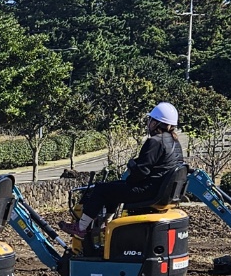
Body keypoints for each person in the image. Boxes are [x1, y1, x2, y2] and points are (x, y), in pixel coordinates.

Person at [60, 102, 184, 239]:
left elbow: (141, 172)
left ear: (156, 123)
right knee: (113, 188)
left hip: (148, 191)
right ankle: (107, 224)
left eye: (150, 120)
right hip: (160, 192)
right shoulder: (175, 143)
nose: (148, 123)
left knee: (101, 189)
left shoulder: (155, 142)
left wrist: (131, 170)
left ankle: (81, 228)